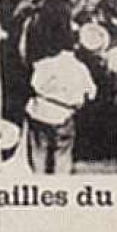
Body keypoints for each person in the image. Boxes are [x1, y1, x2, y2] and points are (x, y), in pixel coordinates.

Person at [24, 40, 97, 175]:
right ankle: (61, 182)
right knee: (62, 153)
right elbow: (92, 93)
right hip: (64, 113)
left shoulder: (45, 64)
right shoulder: (80, 68)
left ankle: (38, 179)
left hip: (41, 111)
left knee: (38, 150)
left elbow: (34, 84)